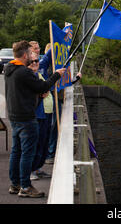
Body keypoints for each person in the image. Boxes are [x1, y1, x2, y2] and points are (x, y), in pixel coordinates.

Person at [4, 40, 66, 198]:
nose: (32, 57)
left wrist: (36, 95)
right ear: (25, 55)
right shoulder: (23, 72)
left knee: (16, 151)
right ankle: (25, 186)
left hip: (14, 116)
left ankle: (15, 183)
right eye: (30, 54)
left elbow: (24, 91)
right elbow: (42, 86)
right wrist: (57, 75)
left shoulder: (9, 68)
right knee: (27, 153)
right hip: (26, 118)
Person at [27, 53, 53, 181]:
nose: (35, 63)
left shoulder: (40, 73)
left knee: (44, 142)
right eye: (32, 62)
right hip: (37, 114)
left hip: (47, 112)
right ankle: (31, 169)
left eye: (37, 61)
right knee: (35, 144)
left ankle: (38, 167)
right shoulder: (29, 76)